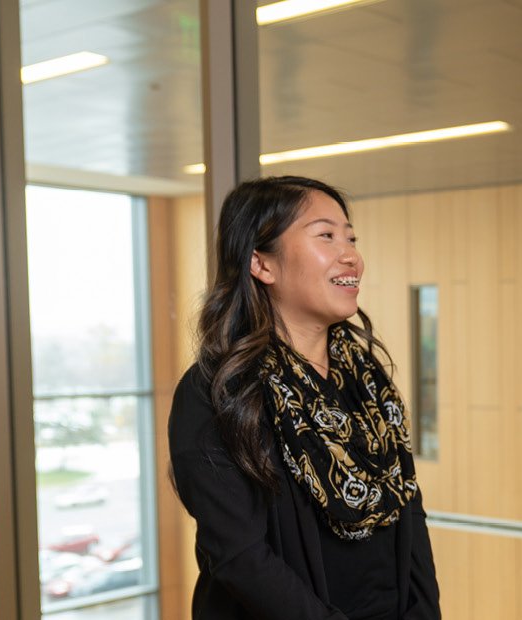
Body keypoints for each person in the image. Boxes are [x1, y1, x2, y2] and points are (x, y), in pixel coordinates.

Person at [170, 176, 440, 619]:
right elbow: (242, 559)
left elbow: (407, 507)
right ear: (262, 264)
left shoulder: (366, 379)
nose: (350, 254)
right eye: (326, 236)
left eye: (351, 237)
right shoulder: (217, 392)